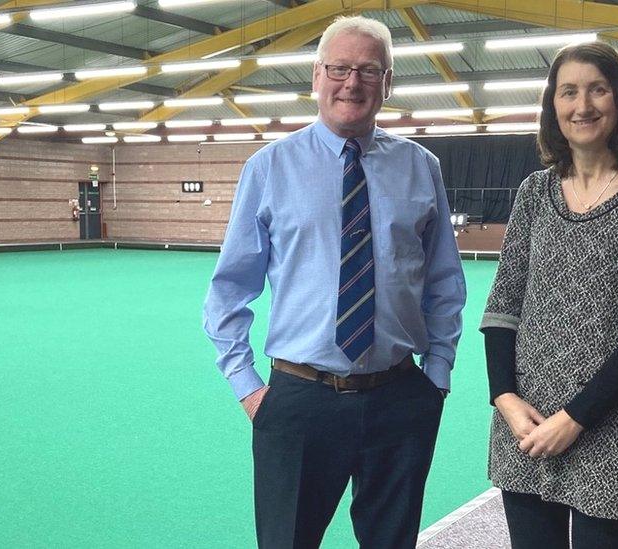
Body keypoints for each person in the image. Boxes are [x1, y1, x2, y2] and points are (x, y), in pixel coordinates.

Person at [203, 15, 466, 549]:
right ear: (315, 76)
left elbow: (444, 280)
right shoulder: (268, 168)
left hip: (399, 397)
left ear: (388, 82)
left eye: (369, 70)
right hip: (299, 400)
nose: (353, 83)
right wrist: (249, 388)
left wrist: (435, 375)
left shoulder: (421, 167)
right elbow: (230, 289)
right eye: (339, 68)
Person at [481, 41, 618, 549]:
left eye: (597, 90)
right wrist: (505, 398)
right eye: (568, 92)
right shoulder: (534, 191)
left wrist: (572, 421)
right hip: (525, 427)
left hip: (611, 431)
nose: (583, 106)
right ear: (553, 105)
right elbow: (503, 305)